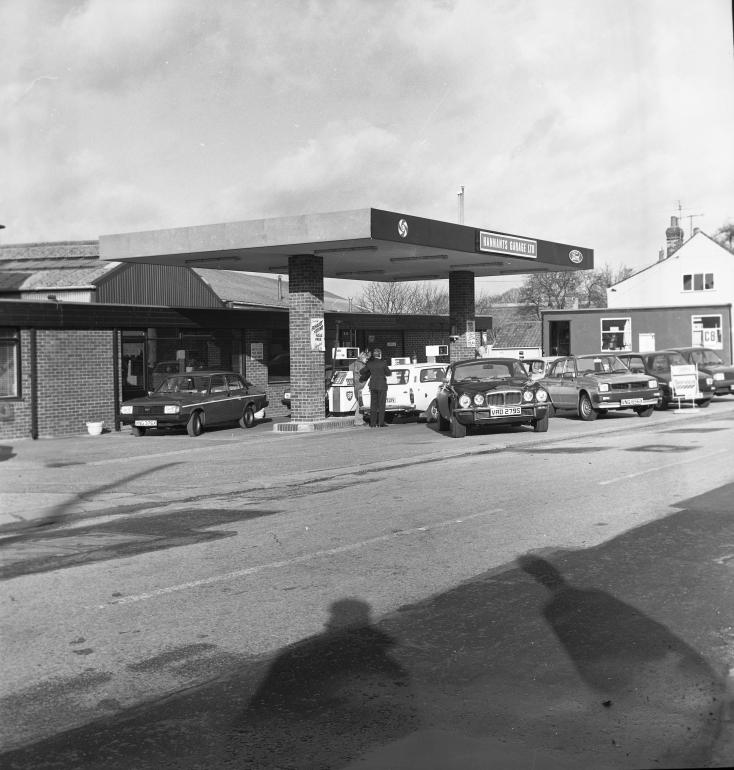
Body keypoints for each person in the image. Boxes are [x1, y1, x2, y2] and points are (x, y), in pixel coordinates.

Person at [359, 349, 392, 427]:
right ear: (380, 354)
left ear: (373, 355)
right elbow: (388, 373)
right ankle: (381, 423)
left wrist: (369, 371)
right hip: (382, 386)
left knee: (373, 405)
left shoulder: (370, 363)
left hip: (373, 385)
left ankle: (373, 423)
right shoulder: (383, 363)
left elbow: (362, 371)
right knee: (381, 405)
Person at [349, 351, 370, 426]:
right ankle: (358, 420)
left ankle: (360, 419)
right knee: (361, 403)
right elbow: (365, 375)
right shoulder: (362, 365)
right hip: (361, 385)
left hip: (356, 386)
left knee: (360, 403)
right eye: (366, 358)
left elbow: (350, 370)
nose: (367, 360)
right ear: (362, 357)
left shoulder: (353, 364)